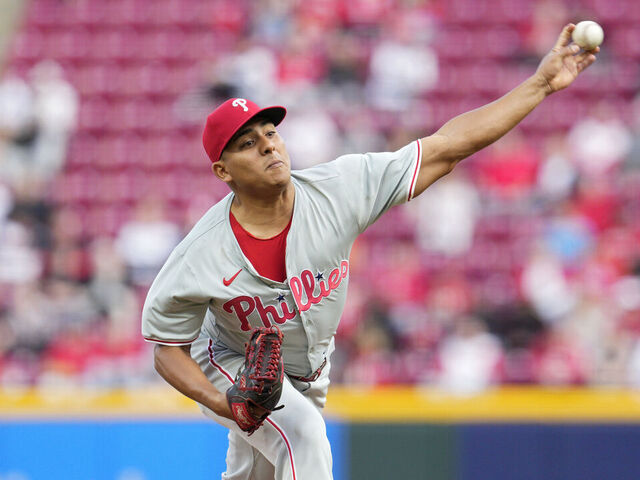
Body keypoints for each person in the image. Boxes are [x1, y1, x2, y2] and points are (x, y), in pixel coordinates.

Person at [141, 25, 598, 480]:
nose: (267, 145)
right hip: (229, 363)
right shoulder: (203, 251)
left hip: (310, 368)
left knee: (262, 469)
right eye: (247, 144)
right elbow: (167, 348)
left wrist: (539, 85)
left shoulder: (339, 190)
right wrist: (224, 402)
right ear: (223, 171)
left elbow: (446, 148)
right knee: (303, 435)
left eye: (269, 132)